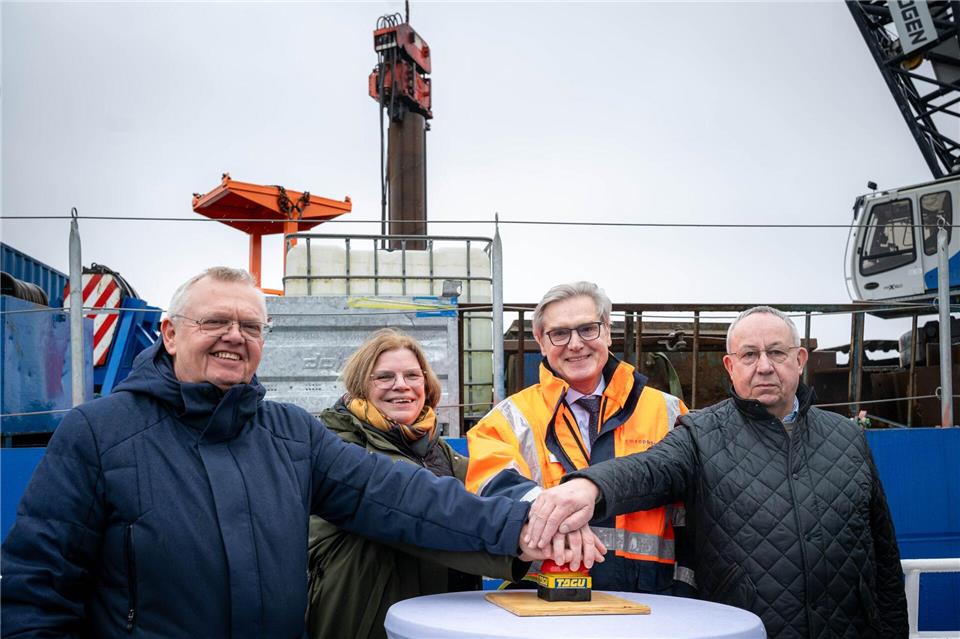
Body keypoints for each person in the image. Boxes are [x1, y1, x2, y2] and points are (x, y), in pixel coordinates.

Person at [0, 267, 551, 638]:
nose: (234, 336)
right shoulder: (97, 433)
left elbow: (401, 498)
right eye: (214, 321)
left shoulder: (292, 434)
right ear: (169, 334)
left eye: (250, 325)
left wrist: (522, 531)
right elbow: (38, 581)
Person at [526, 306, 909, 638]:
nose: (764, 366)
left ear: (800, 360)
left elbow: (884, 557)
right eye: (749, 355)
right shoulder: (701, 434)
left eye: (776, 352)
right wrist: (589, 487)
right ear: (730, 365)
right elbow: (648, 469)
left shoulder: (846, 437)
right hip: (748, 629)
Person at [306, 328, 552, 639]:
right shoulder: (342, 447)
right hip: (366, 623)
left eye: (412, 375)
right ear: (360, 386)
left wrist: (548, 509)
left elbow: (490, 486)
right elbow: (415, 510)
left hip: (439, 621)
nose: (401, 386)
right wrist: (520, 538)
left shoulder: (440, 452)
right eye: (384, 377)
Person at [466, 281, 694, 594]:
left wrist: (686, 592)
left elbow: (694, 512)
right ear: (541, 342)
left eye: (587, 328)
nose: (575, 344)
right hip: (544, 601)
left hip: (652, 602)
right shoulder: (505, 421)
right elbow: (492, 490)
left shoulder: (667, 411)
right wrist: (551, 513)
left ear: (607, 332)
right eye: (559, 333)